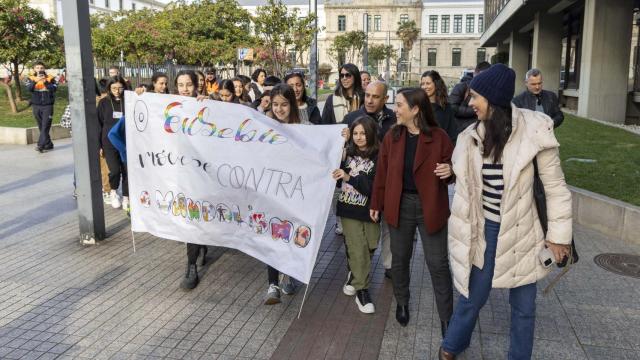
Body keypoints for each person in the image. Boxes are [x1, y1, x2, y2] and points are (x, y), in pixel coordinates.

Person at [439, 64, 573, 360]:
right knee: (473, 294)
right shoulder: (470, 137)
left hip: (525, 228)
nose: (469, 102)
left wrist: (559, 237)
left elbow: (556, 188)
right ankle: (451, 346)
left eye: (475, 96)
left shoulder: (535, 130)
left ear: (494, 98)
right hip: (485, 229)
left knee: (524, 306)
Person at [370, 88, 454, 334]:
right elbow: (382, 173)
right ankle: (402, 302)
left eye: (399, 105)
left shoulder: (439, 137)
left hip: (430, 205)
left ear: (415, 109)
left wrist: (451, 170)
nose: (395, 110)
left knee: (437, 263)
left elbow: (454, 164)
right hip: (399, 205)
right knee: (400, 259)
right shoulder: (392, 137)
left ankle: (446, 316)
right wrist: (376, 203)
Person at [343, 81, 396, 280]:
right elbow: (341, 150)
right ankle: (356, 269)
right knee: (361, 232)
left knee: (387, 226)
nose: (370, 100)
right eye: (367, 95)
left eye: (375, 97)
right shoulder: (351, 118)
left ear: (385, 99)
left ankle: (390, 265)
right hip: (360, 186)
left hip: (388, 180)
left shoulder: (394, 119)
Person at [333, 116, 380, 314]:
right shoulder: (345, 154)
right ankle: (363, 290)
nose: (359, 137)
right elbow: (335, 180)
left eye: (363, 133)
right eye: (356, 133)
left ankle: (354, 275)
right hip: (348, 208)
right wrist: (340, 153)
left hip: (370, 208)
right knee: (357, 247)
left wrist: (350, 177)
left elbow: (374, 187)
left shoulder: (379, 156)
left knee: (370, 244)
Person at [264, 83, 301, 304]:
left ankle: (290, 274)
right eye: (275, 104)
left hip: (295, 195)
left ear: (292, 105)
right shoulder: (263, 126)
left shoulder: (304, 128)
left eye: (284, 105)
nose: (279, 109)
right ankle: (272, 283)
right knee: (273, 237)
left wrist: (341, 135)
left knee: (291, 236)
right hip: (271, 194)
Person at [322, 63, 364, 235]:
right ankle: (340, 220)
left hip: (360, 148)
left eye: (348, 75)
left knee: (357, 181)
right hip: (339, 150)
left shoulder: (363, 97)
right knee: (337, 184)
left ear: (355, 77)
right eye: (342, 75)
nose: (345, 78)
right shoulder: (332, 99)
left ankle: (358, 217)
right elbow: (325, 124)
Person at [97, 76, 129, 211]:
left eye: (120, 88)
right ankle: (114, 192)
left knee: (127, 171)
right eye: (114, 88)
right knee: (115, 170)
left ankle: (127, 197)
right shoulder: (104, 102)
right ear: (109, 88)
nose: (117, 91)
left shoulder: (129, 100)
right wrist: (99, 145)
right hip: (109, 142)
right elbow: (98, 124)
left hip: (126, 142)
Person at [449, 61, 491, 133]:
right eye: (481, 76)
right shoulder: (462, 87)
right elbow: (452, 108)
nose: (483, 80)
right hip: (461, 130)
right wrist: (476, 110)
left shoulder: (490, 91)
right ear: (475, 74)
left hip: (481, 130)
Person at [26, 61, 57, 153]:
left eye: (41, 68)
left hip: (48, 106)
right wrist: (35, 81)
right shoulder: (30, 79)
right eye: (37, 68)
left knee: (45, 126)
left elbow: (54, 88)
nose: (39, 70)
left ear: (44, 69)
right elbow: (29, 89)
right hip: (36, 105)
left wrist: (45, 82)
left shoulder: (50, 78)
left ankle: (41, 145)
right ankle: (48, 144)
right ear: (34, 69)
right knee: (41, 126)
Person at [421, 70, 458, 143]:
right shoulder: (418, 106)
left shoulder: (446, 107)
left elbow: (452, 134)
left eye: (428, 83)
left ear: (436, 84)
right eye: (422, 84)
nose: (424, 87)